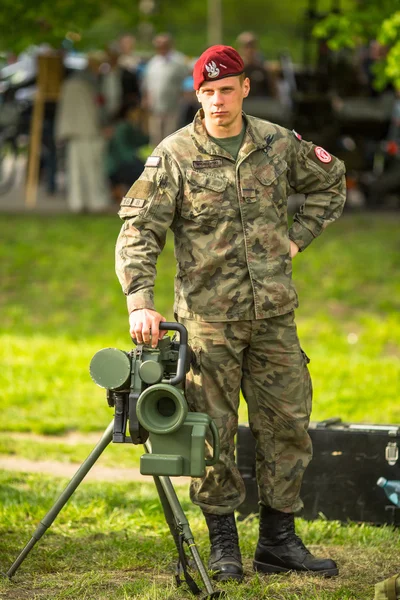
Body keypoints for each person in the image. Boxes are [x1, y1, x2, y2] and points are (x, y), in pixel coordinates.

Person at [115, 45, 346, 582]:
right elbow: (138, 229)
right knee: (214, 434)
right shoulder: (174, 154)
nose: (217, 101)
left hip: (273, 318)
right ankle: (224, 547)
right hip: (207, 323)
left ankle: (278, 542)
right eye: (207, 92)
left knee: (287, 426)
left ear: (244, 88)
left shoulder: (276, 143)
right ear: (196, 95)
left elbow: (331, 183)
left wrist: (296, 240)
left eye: (226, 90)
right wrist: (139, 301)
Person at [55, 52, 110, 213]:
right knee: (93, 169)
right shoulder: (91, 84)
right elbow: (98, 109)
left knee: (76, 170)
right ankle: (95, 202)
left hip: (74, 132)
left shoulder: (69, 83)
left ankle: (77, 202)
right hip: (90, 131)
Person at [141, 33, 188, 147]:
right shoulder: (153, 63)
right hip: (155, 108)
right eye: (158, 45)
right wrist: (146, 99)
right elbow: (147, 84)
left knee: (171, 138)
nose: (161, 48)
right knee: (155, 138)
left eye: (163, 45)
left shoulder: (179, 61)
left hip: (173, 107)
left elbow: (187, 81)